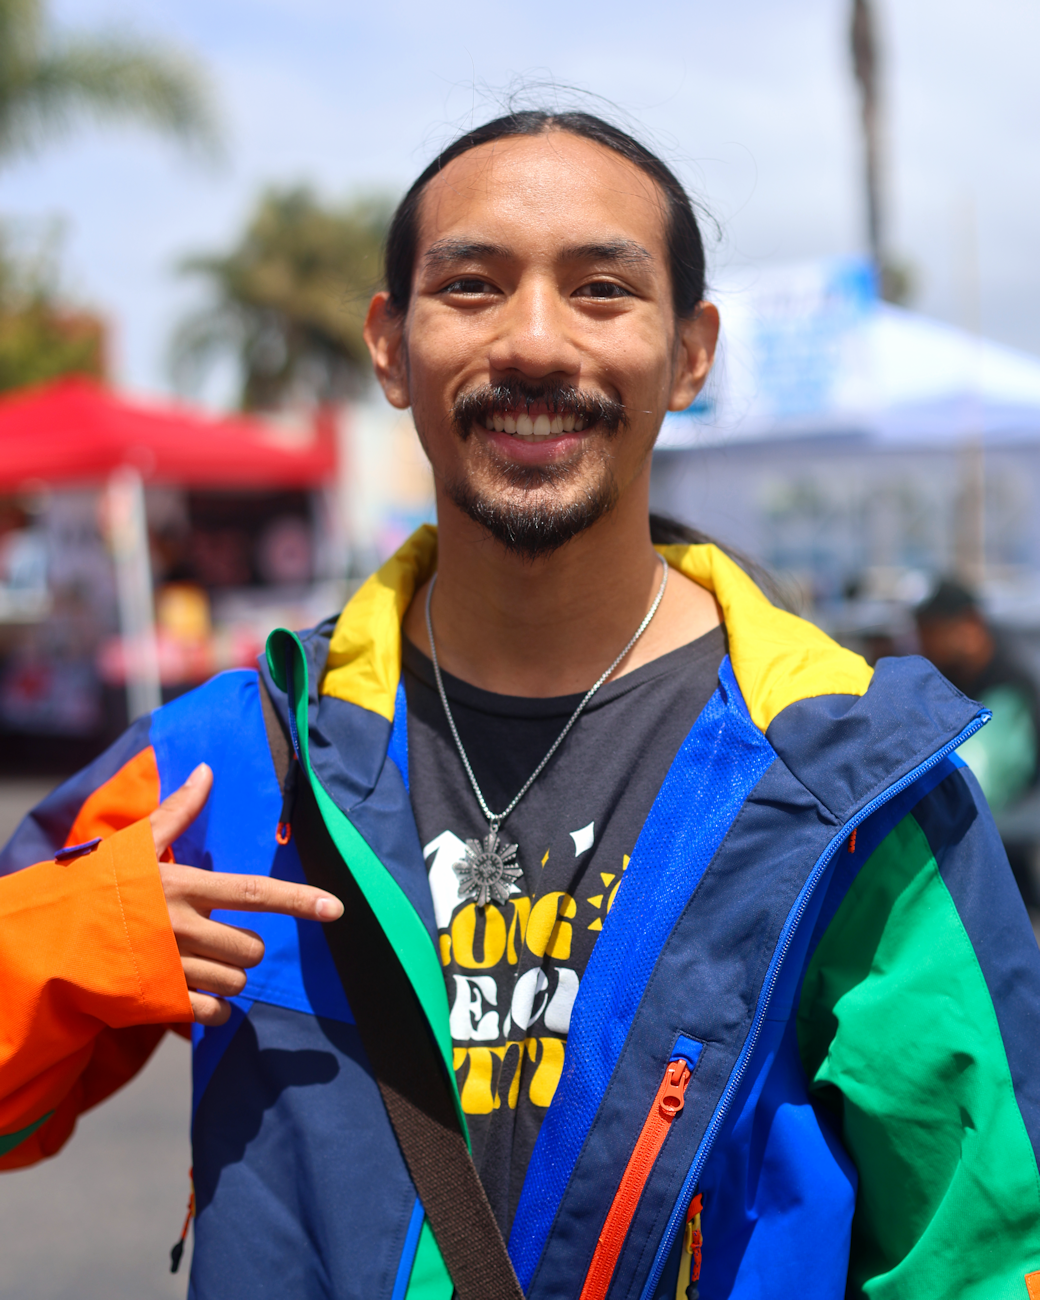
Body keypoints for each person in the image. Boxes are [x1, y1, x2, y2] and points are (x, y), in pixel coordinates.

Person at [2, 110, 1040, 1300]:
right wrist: (83, 937)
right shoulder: (233, 763)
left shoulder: (853, 785)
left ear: (689, 352)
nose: (536, 341)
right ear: (390, 347)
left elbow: (984, 1252)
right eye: (472, 286)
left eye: (601, 288)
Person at [915, 576, 1039, 814]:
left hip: (1012, 827)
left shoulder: (1012, 680)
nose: (924, 641)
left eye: (933, 630)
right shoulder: (940, 676)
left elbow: (983, 775)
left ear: (971, 623)